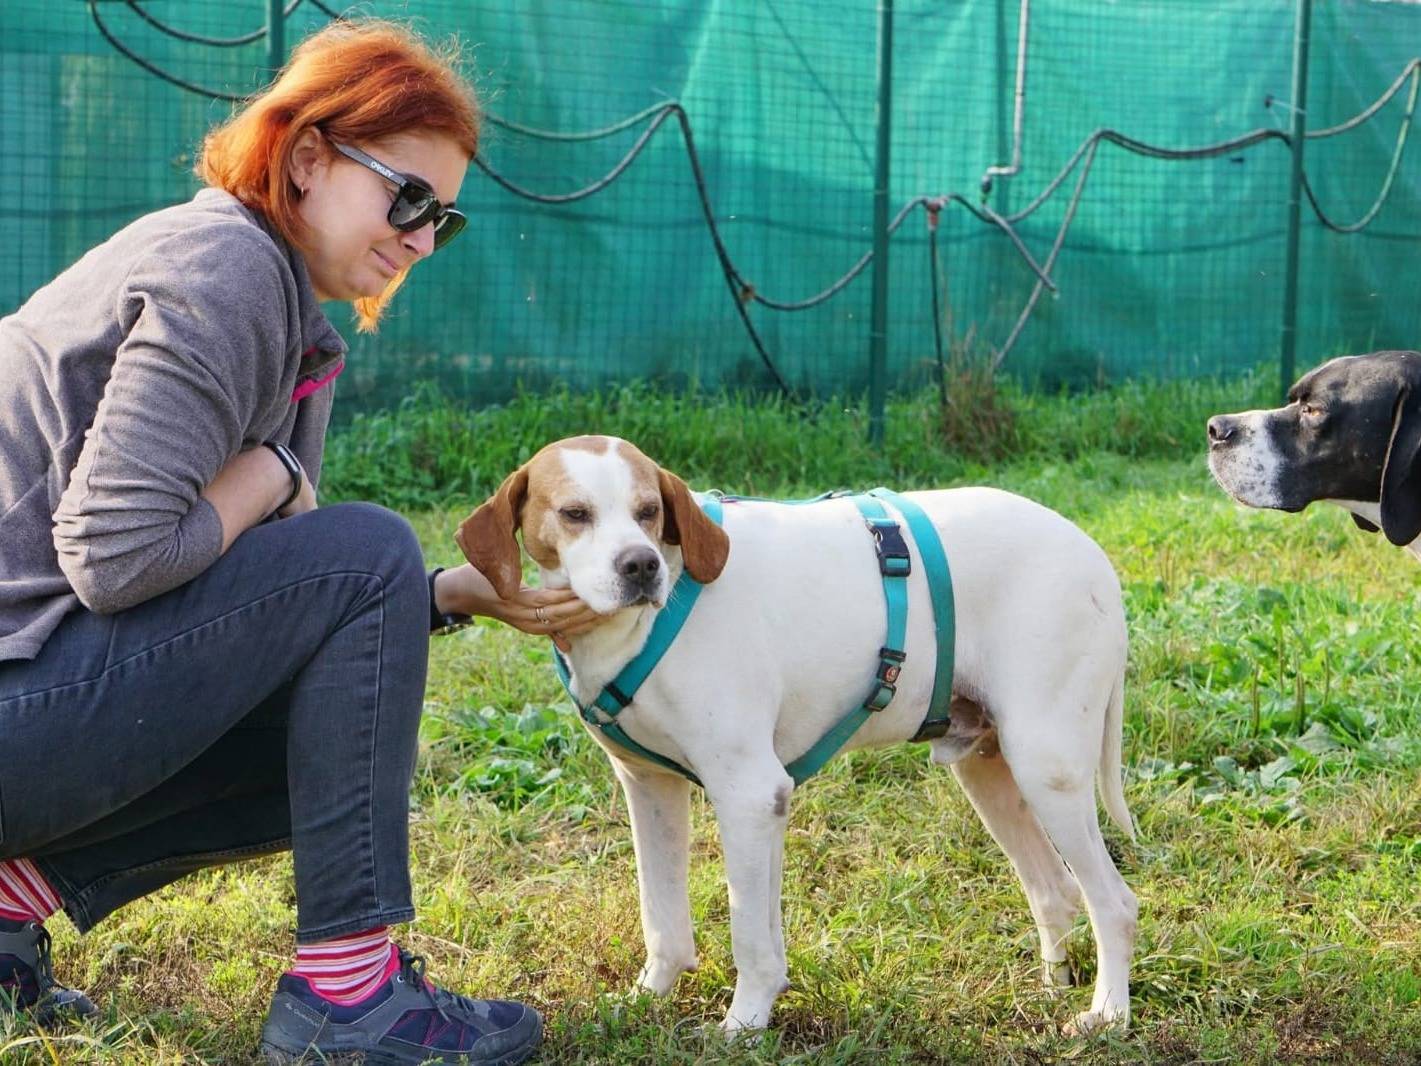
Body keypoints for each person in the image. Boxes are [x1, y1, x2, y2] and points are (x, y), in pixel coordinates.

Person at [0, 18, 597, 1065]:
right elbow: (117, 557)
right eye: (407, 198)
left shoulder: (277, 290)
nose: (419, 239)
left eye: (440, 221)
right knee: (364, 549)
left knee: (340, 713)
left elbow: (254, 609)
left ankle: (6, 907)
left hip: (35, 692)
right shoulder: (225, 269)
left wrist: (447, 594)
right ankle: (348, 1001)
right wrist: (276, 475)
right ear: (308, 155)